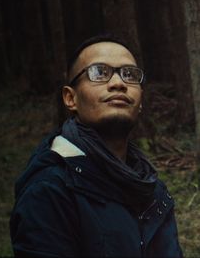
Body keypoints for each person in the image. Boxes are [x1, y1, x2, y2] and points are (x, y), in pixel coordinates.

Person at [9, 34, 183, 257]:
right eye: (100, 72)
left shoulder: (153, 189)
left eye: (129, 75)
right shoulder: (50, 189)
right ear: (70, 98)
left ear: (140, 102)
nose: (119, 83)